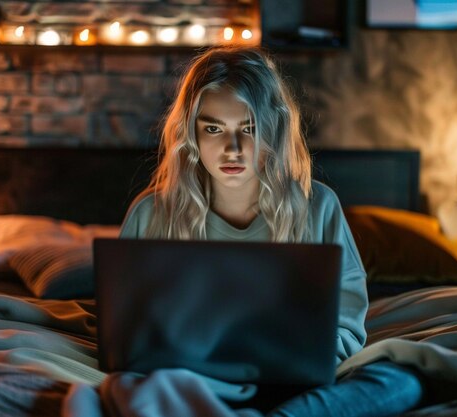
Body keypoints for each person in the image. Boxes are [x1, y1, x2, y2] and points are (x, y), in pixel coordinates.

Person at [119, 46, 423, 416]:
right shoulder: (151, 213)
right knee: (128, 388)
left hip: (293, 379)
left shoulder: (317, 206)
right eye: (213, 129)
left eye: (248, 128)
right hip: (192, 378)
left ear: (272, 128)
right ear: (191, 134)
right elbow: (130, 331)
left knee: (400, 380)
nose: (232, 149)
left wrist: (300, 360)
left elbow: (347, 325)